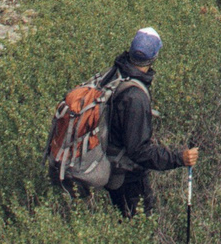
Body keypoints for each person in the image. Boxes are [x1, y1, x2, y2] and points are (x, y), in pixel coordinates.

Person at [68, 25, 197, 217]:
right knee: (138, 227)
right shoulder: (135, 97)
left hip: (107, 163)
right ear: (154, 58)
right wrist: (179, 158)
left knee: (119, 220)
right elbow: (139, 151)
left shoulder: (114, 73)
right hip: (126, 177)